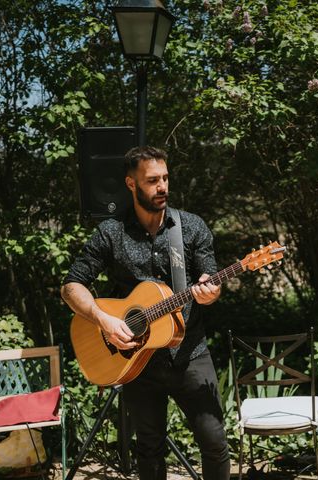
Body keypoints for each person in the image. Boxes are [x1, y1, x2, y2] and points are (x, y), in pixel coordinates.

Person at [61, 146, 230, 480]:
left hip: (189, 353)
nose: (163, 186)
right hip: (135, 360)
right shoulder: (111, 233)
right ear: (130, 184)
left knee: (214, 442)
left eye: (165, 178)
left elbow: (210, 279)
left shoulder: (191, 227)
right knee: (148, 448)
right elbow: (71, 286)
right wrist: (104, 319)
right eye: (153, 181)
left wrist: (211, 292)